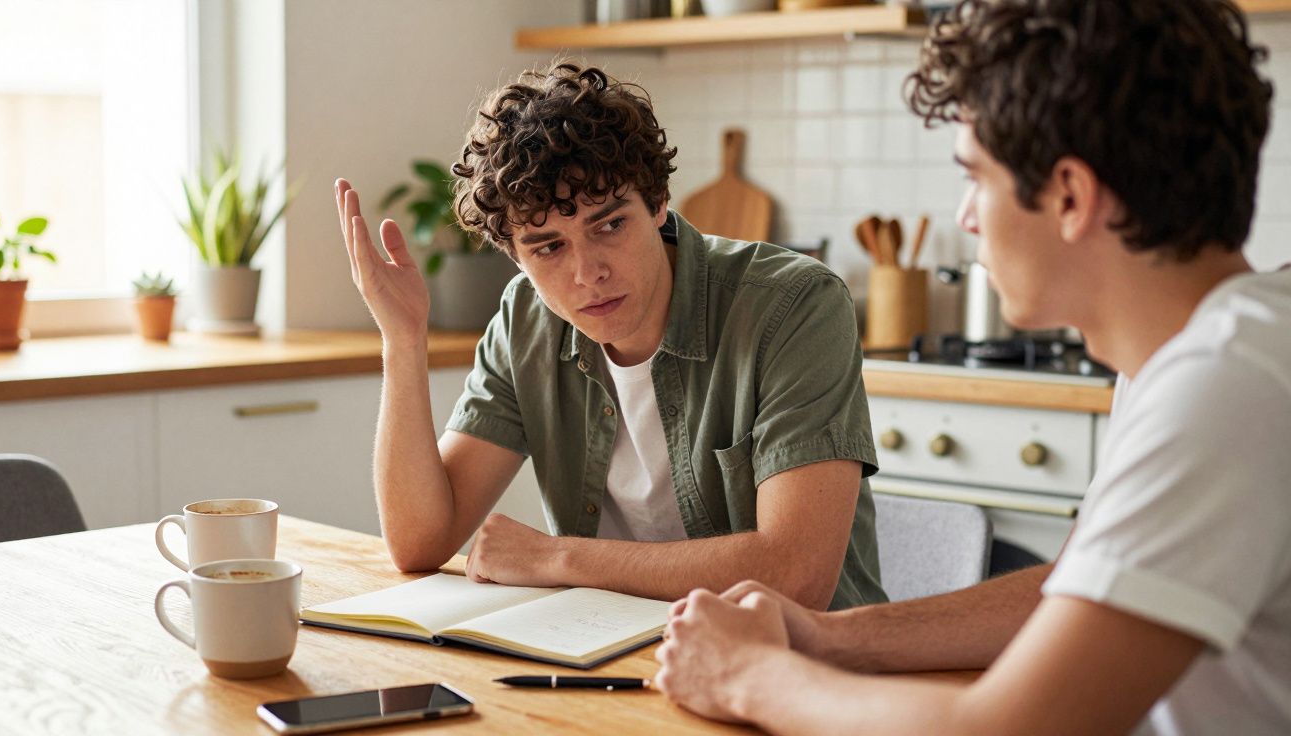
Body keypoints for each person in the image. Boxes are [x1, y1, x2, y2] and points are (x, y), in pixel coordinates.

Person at [655, 1, 1291, 733]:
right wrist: (825, 637)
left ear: (1071, 196)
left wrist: (748, 676)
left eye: (975, 177)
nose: (964, 216)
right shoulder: (1195, 354)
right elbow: (1075, 594)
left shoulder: (1223, 386)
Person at [333, 62, 886, 610]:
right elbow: (419, 542)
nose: (587, 273)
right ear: (514, 257)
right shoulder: (527, 318)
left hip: (801, 667)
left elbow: (795, 574)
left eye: (610, 225)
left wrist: (557, 559)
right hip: (610, 659)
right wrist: (403, 340)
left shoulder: (793, 305)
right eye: (548, 248)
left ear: (658, 202)